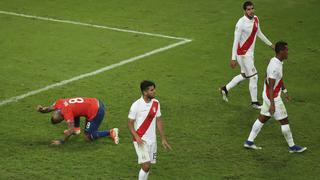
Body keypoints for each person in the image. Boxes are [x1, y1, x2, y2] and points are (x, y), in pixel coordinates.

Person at [244, 41, 307, 153]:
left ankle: (249, 142)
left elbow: (278, 79)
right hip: (272, 96)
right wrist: (272, 104)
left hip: (268, 95)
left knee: (263, 117)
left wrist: (285, 90)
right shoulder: (275, 66)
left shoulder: (276, 61)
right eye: (286, 50)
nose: (288, 52)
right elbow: (271, 86)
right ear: (281, 51)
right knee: (284, 120)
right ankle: (292, 147)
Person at [220, 1, 274, 109]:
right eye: (248, 9)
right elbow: (235, 41)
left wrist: (270, 44)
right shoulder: (240, 24)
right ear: (244, 11)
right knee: (254, 77)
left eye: (252, 8)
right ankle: (254, 103)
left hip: (250, 54)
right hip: (243, 54)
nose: (251, 11)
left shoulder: (256, 19)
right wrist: (233, 58)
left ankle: (224, 89)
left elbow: (259, 33)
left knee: (245, 75)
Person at [128, 80, 172, 180]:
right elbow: (130, 123)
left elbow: (159, 120)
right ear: (145, 92)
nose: (154, 91)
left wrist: (163, 139)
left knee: (148, 167)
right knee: (146, 166)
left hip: (152, 140)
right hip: (140, 140)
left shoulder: (156, 103)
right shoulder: (136, 105)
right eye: (151, 90)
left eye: (154, 89)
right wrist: (136, 137)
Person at [37, 97, 119, 145]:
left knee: (88, 137)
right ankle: (77, 130)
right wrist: (41, 110)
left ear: (62, 118)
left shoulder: (67, 114)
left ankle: (110, 132)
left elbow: (70, 130)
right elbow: (48, 108)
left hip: (97, 111)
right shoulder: (59, 103)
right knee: (75, 112)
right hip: (94, 102)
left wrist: (61, 141)